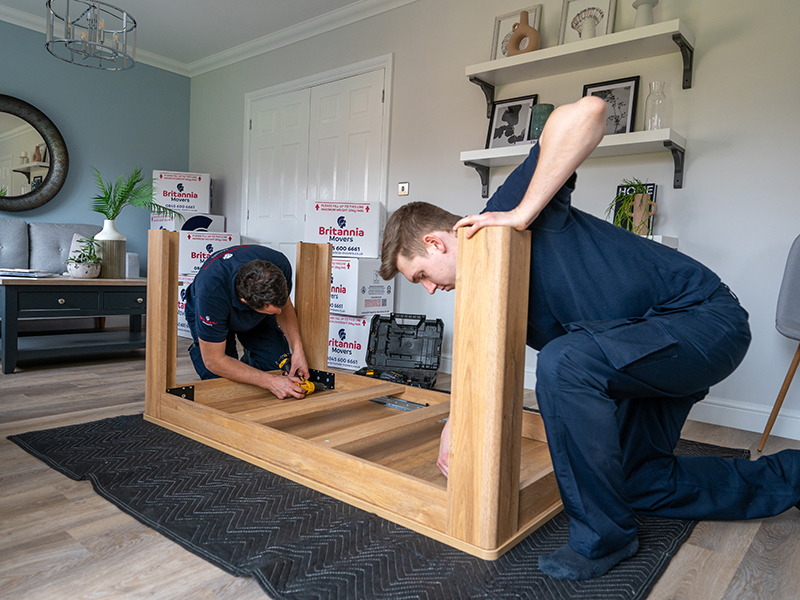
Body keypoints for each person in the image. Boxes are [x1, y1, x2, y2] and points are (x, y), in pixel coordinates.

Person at [379, 96, 800, 580]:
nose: (430, 289)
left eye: (420, 277)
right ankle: (791, 477)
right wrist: (455, 422)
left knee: (564, 363)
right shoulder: (481, 291)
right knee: (640, 482)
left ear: (435, 242)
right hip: (640, 350)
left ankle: (603, 541)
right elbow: (487, 367)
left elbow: (588, 112)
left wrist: (522, 213)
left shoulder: (502, 215)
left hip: (703, 322)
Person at [184, 244, 310, 399]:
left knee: (274, 367)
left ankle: (250, 365)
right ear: (245, 301)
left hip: (258, 314)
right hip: (215, 310)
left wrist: (297, 350)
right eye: (274, 310)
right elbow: (214, 361)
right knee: (221, 385)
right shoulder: (210, 295)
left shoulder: (280, 265)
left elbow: (285, 307)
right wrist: (271, 382)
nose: (279, 312)